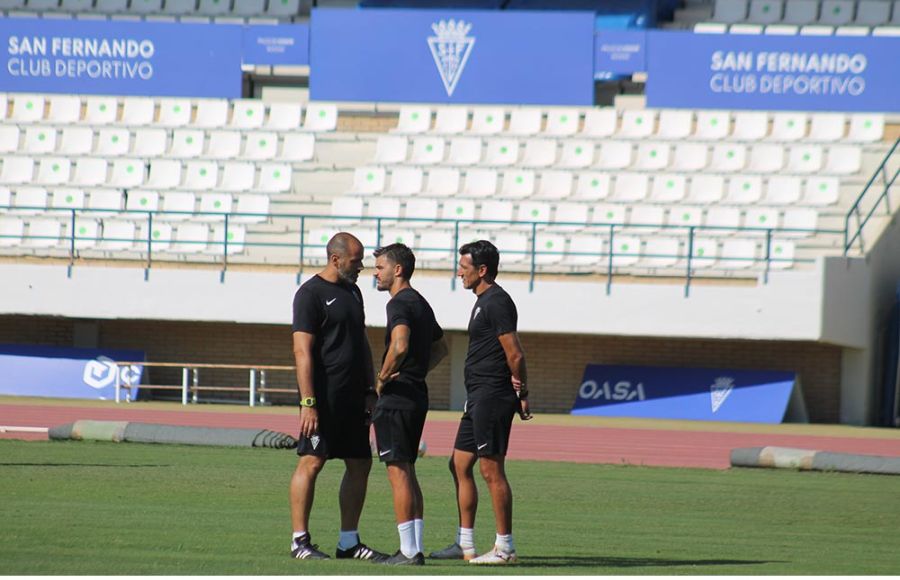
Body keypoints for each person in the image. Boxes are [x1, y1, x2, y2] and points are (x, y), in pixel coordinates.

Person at [430, 239, 532, 566]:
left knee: (491, 469)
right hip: (477, 398)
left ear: (482, 270)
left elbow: (514, 352)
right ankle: (465, 544)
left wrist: (523, 391)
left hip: (492, 395)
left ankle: (505, 548)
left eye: (464, 267)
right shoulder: (481, 300)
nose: (459, 272)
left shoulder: (497, 302)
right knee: (459, 464)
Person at [288, 232, 388, 562]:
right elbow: (302, 351)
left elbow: (360, 342)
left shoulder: (353, 291)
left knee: (360, 463)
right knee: (312, 461)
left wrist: (369, 390)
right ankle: (300, 541)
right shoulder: (310, 295)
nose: (362, 266)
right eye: (356, 260)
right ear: (336, 259)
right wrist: (308, 403)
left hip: (353, 399)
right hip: (322, 400)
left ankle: (348, 542)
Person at [371, 243, 448, 566]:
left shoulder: (400, 303)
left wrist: (382, 378)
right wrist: (417, 372)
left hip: (398, 397)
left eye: (379, 267)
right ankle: (413, 547)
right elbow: (441, 349)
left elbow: (399, 344)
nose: (374, 273)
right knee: (408, 470)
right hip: (416, 393)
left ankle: (408, 551)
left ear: (397, 270)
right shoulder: (421, 303)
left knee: (398, 471)